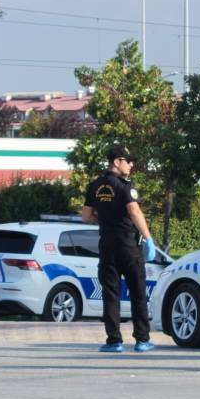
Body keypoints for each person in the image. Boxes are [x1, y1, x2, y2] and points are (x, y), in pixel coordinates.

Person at [81, 144, 156, 353]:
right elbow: (134, 211)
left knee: (110, 293)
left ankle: (114, 341)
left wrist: (105, 220)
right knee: (137, 292)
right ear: (116, 162)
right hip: (128, 245)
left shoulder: (95, 185)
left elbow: (86, 216)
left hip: (106, 244)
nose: (131, 165)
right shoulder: (125, 186)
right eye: (127, 160)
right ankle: (142, 340)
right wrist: (149, 239)